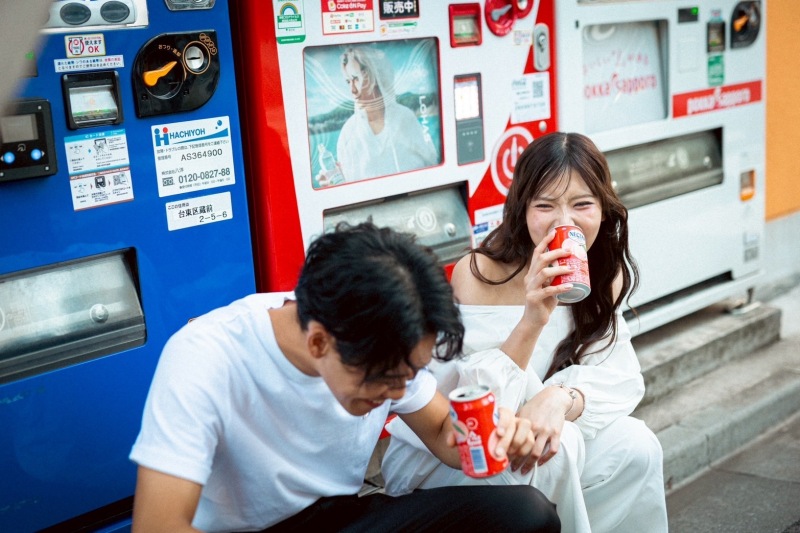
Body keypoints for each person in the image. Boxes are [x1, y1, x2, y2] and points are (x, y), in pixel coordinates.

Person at [129, 222, 560, 532]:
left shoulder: (385, 340)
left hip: (339, 516)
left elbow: (446, 432)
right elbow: (157, 525)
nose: (400, 390)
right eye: (388, 379)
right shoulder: (206, 357)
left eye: (411, 374)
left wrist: (492, 436)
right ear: (319, 343)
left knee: (526, 515)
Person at [381, 132, 669, 532]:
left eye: (582, 204)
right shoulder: (481, 272)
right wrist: (533, 316)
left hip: (542, 435)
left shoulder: (604, 274)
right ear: (522, 209)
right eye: (545, 205)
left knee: (635, 446)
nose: (564, 222)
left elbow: (619, 377)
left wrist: (558, 399)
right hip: (452, 457)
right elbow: (478, 406)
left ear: (604, 208)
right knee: (557, 447)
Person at [318, 45, 439, 186]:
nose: (352, 90)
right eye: (348, 81)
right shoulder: (348, 133)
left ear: (374, 76)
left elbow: (433, 166)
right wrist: (331, 185)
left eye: (356, 79)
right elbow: (347, 188)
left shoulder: (405, 118)